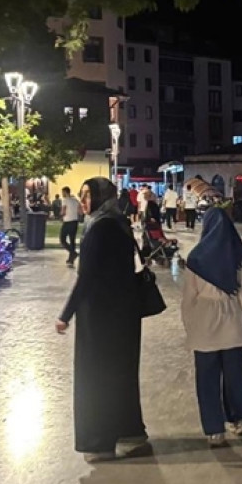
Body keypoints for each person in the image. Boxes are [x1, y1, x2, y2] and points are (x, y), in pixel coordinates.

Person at [55, 177, 148, 463]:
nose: (83, 201)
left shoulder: (100, 227)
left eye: (87, 195)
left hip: (100, 317)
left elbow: (88, 277)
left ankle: (100, 441)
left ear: (101, 197)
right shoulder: (117, 222)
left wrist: (66, 314)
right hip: (122, 313)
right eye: (82, 195)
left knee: (96, 377)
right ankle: (130, 432)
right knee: (120, 373)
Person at [181, 207, 242, 445]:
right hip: (232, 322)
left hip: (204, 323)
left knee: (206, 379)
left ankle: (214, 429)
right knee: (235, 375)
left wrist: (190, 328)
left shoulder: (195, 259)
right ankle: (239, 419)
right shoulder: (238, 257)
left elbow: (188, 299)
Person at [58, 186, 83, 267]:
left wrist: (60, 215)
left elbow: (63, 211)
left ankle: (73, 253)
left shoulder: (65, 200)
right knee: (72, 240)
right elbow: (80, 212)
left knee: (62, 239)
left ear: (65, 192)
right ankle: (71, 260)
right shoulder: (76, 200)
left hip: (67, 222)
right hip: (74, 222)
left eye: (63, 192)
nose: (62, 194)